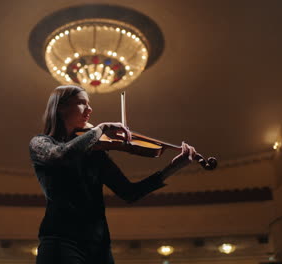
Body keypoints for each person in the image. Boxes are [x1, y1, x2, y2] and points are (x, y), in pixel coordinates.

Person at [29, 85, 198, 264]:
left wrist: (172, 168)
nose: (89, 109)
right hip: (60, 242)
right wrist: (101, 128)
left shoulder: (95, 152)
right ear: (60, 107)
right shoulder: (41, 143)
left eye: (89, 103)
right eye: (81, 103)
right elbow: (60, 155)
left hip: (99, 245)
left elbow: (129, 193)